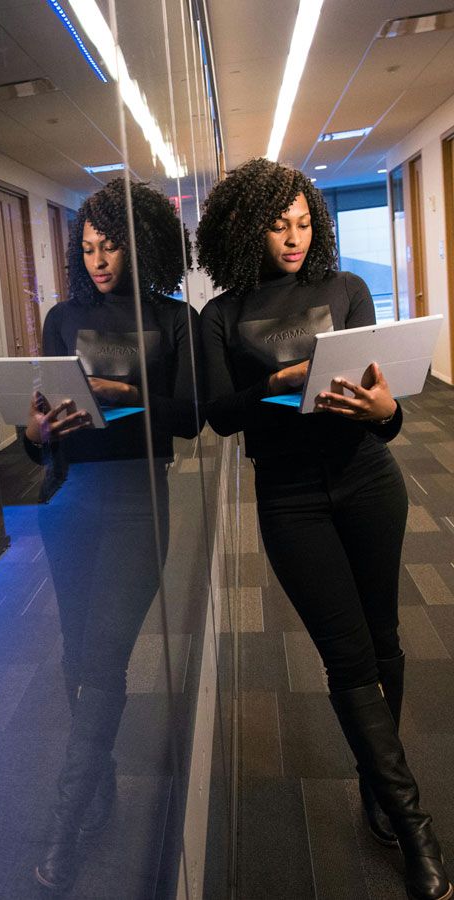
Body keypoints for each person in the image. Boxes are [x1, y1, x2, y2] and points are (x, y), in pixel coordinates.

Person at [196, 157, 451, 900]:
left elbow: (384, 404)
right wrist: (272, 384)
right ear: (246, 229)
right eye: (279, 225)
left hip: (369, 481)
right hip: (290, 498)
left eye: (305, 223)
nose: (295, 237)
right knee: (347, 659)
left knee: (385, 642)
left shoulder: (347, 290)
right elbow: (218, 416)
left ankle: (378, 783)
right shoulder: (223, 316)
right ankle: (415, 828)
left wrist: (390, 413)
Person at [22, 177, 202, 893]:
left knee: (104, 658)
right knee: (76, 655)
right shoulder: (61, 318)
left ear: (140, 242)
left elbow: (192, 418)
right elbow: (37, 436)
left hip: (138, 504)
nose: (99, 260)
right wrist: (36, 432)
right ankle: (100, 786)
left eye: (111, 246)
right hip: (70, 500)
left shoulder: (173, 319)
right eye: (89, 248)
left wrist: (130, 396)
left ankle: (65, 825)